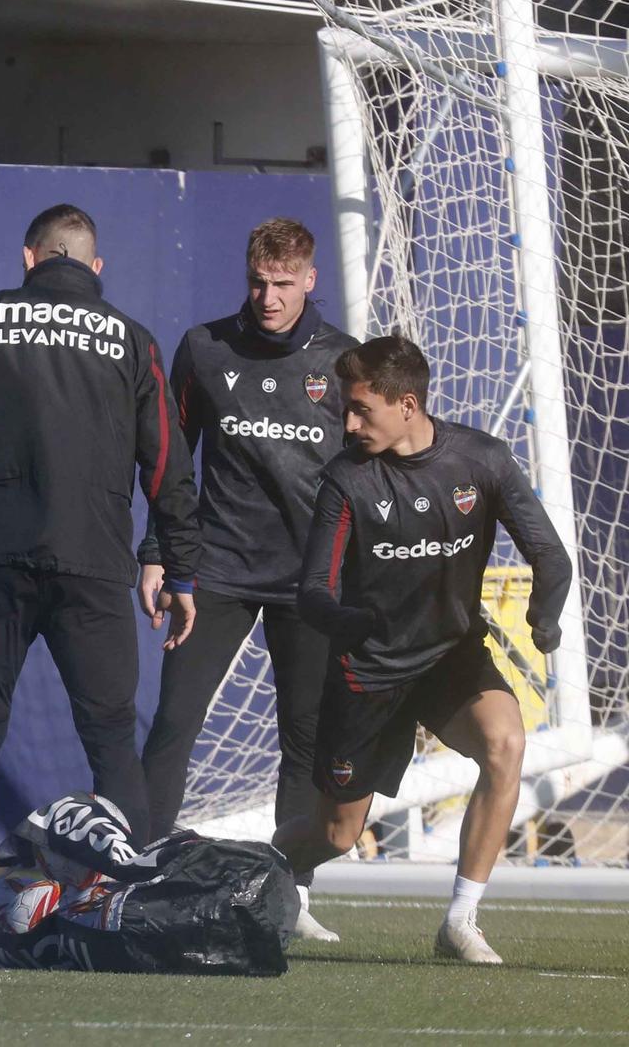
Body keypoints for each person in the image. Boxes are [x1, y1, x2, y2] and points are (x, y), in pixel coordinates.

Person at [0, 203, 200, 959]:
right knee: (110, 743)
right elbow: (167, 463)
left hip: (0, 555)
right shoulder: (132, 338)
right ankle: (130, 913)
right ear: (96, 269)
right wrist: (177, 562)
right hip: (94, 563)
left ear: (29, 260)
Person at [279, 335, 571, 964]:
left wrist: (543, 618)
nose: (348, 422)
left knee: (505, 744)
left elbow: (551, 555)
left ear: (407, 404)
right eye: (345, 409)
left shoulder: (482, 461)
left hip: (450, 658)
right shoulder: (345, 479)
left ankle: (460, 921)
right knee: (339, 832)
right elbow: (311, 591)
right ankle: (280, 871)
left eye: (361, 410)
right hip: (370, 668)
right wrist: (346, 619)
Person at [134, 218, 356, 942]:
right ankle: (142, 875)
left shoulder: (344, 362)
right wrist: (157, 552)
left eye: (284, 284)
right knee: (174, 723)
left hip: (310, 582)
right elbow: (172, 458)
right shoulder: (204, 347)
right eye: (259, 282)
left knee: (304, 737)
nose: (268, 298)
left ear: (310, 280)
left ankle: (291, 893)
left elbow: (366, 473)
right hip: (217, 570)